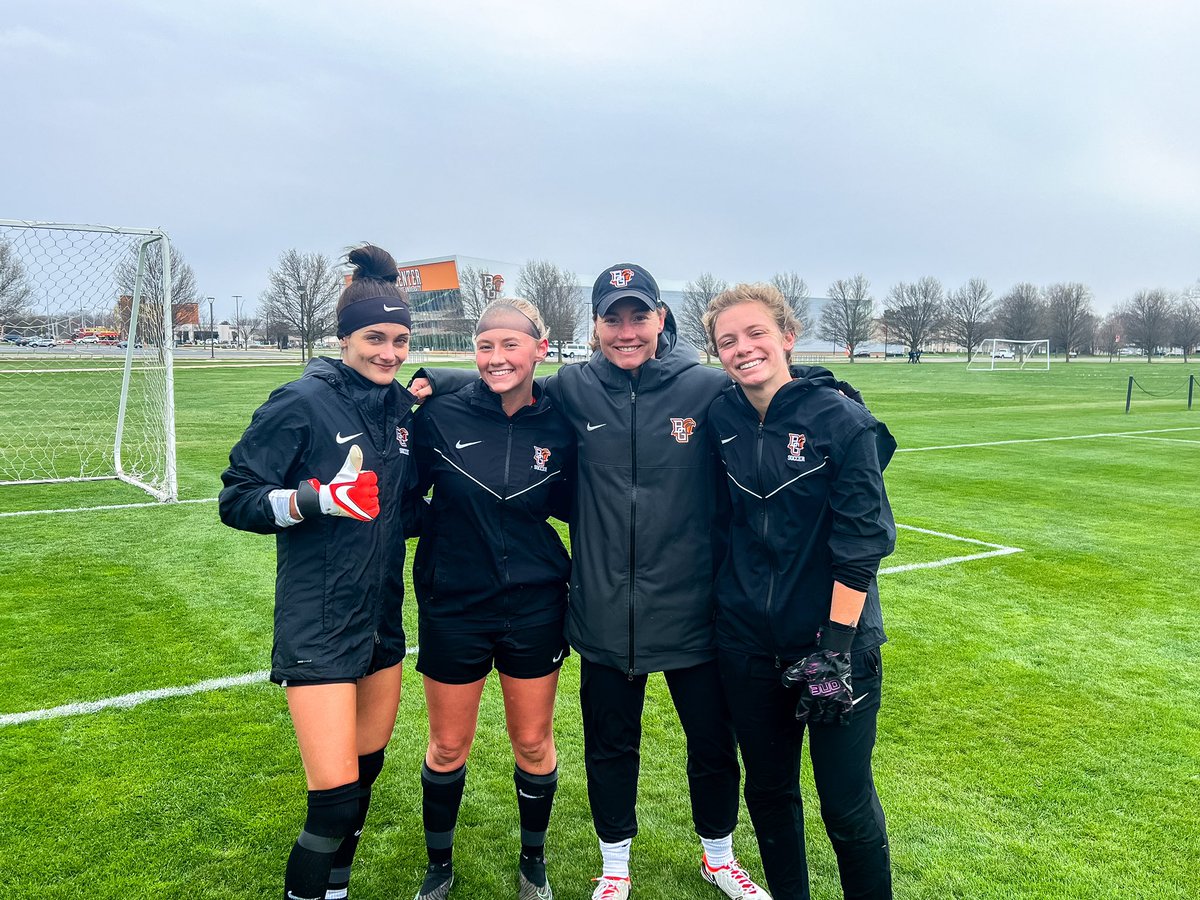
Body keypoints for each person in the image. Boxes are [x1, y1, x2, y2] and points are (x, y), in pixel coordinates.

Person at [413, 264, 769, 900]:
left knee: (714, 743)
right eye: (613, 318)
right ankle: (614, 865)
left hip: (694, 606)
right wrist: (436, 378)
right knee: (610, 744)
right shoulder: (574, 388)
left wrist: (824, 381)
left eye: (639, 316)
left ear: (662, 318)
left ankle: (720, 856)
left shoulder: (708, 389)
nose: (626, 331)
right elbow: (507, 376)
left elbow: (768, 392)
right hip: (604, 606)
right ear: (595, 325)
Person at [219, 245, 419, 900]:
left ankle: (335, 891)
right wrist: (314, 500)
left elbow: (397, 511)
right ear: (345, 338)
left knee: (364, 779)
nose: (388, 351)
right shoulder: (301, 402)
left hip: (382, 625)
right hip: (320, 627)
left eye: (398, 339)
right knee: (331, 804)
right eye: (374, 337)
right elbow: (236, 499)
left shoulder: (396, 411)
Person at [701, 283, 897, 900]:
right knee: (768, 791)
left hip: (832, 647)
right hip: (747, 646)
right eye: (727, 340)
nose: (743, 348)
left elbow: (862, 541)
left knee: (844, 805)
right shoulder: (721, 418)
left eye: (756, 333)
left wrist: (836, 649)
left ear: (787, 335)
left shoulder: (841, 418)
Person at [410, 298, 574, 900]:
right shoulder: (438, 418)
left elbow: (578, 503)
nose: (497, 358)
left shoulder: (562, 423)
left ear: (540, 350)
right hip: (454, 603)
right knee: (448, 744)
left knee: (532, 741)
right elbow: (403, 497)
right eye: (486, 346)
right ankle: (439, 867)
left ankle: (533, 861)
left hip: (534, 606)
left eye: (511, 345)